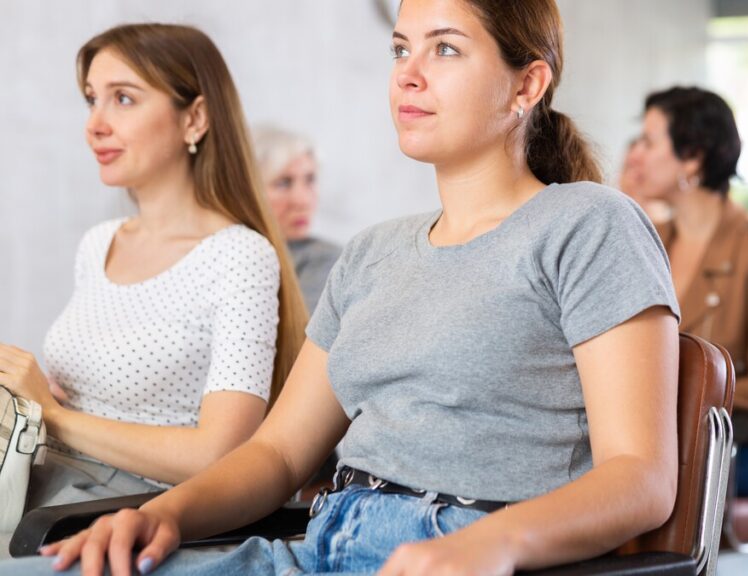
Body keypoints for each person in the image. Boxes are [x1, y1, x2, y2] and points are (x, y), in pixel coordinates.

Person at [0, 1, 681, 574]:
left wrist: (493, 543)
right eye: (400, 50)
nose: (408, 76)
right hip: (321, 542)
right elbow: (276, 454)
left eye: (444, 51)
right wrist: (157, 517)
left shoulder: (588, 223)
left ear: (526, 85)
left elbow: (640, 477)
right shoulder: (371, 255)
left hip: (462, 549)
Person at [0, 22, 307, 530]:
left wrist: (53, 416)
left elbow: (221, 454)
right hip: (40, 483)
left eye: (123, 99)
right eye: (91, 99)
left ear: (196, 118)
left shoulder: (238, 256)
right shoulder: (99, 243)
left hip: (129, 515)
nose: (95, 124)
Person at [631, 86, 748, 497]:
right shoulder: (647, 241)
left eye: (649, 141)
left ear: (692, 157)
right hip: (664, 442)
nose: (636, 154)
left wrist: (680, 395)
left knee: (646, 484)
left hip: (740, 447)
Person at [251, 125, 341, 311]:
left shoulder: (325, 260)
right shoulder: (223, 250)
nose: (303, 201)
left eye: (310, 180)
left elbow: (301, 338)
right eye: (283, 183)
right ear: (248, 190)